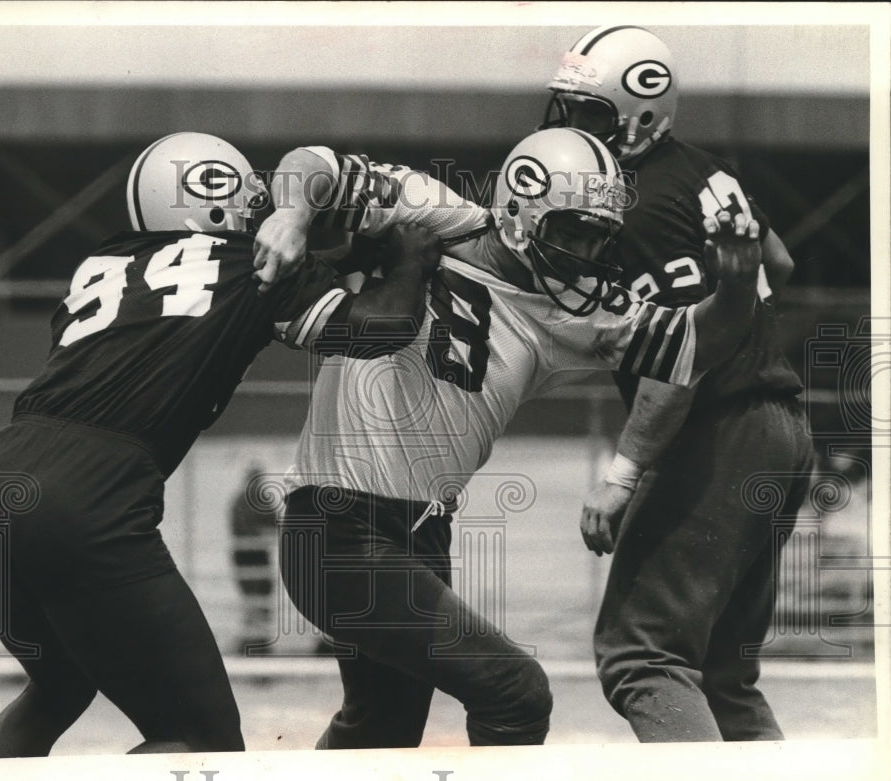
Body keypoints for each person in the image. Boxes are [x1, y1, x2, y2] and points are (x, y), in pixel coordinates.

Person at [252, 126, 766, 748]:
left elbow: (692, 345)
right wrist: (291, 211)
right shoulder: (441, 214)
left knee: (381, 729)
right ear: (519, 212)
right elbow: (314, 162)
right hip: (337, 523)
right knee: (514, 691)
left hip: (419, 532)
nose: (582, 252)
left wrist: (735, 287)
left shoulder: (568, 312)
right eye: (570, 231)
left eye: (594, 237)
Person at [0, 131, 441, 756]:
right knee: (199, 740)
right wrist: (409, 260)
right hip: (88, 497)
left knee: (56, 688)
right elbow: (384, 328)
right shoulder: (246, 266)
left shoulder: (104, 263)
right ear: (216, 198)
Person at [541, 26, 815, 741]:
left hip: (715, 430)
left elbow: (681, 355)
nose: (572, 127)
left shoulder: (634, 199)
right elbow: (777, 263)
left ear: (641, 113)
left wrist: (622, 473)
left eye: (590, 112)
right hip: (778, 421)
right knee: (723, 675)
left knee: (642, 654)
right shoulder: (702, 168)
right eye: (568, 108)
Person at [228, 463, 279, 654]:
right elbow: (243, 531)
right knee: (254, 602)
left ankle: (255, 644)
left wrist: (265, 534)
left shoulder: (261, 500)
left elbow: (277, 524)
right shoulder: (242, 502)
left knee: (260, 602)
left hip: (259, 557)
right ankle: (253, 645)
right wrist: (265, 534)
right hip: (247, 557)